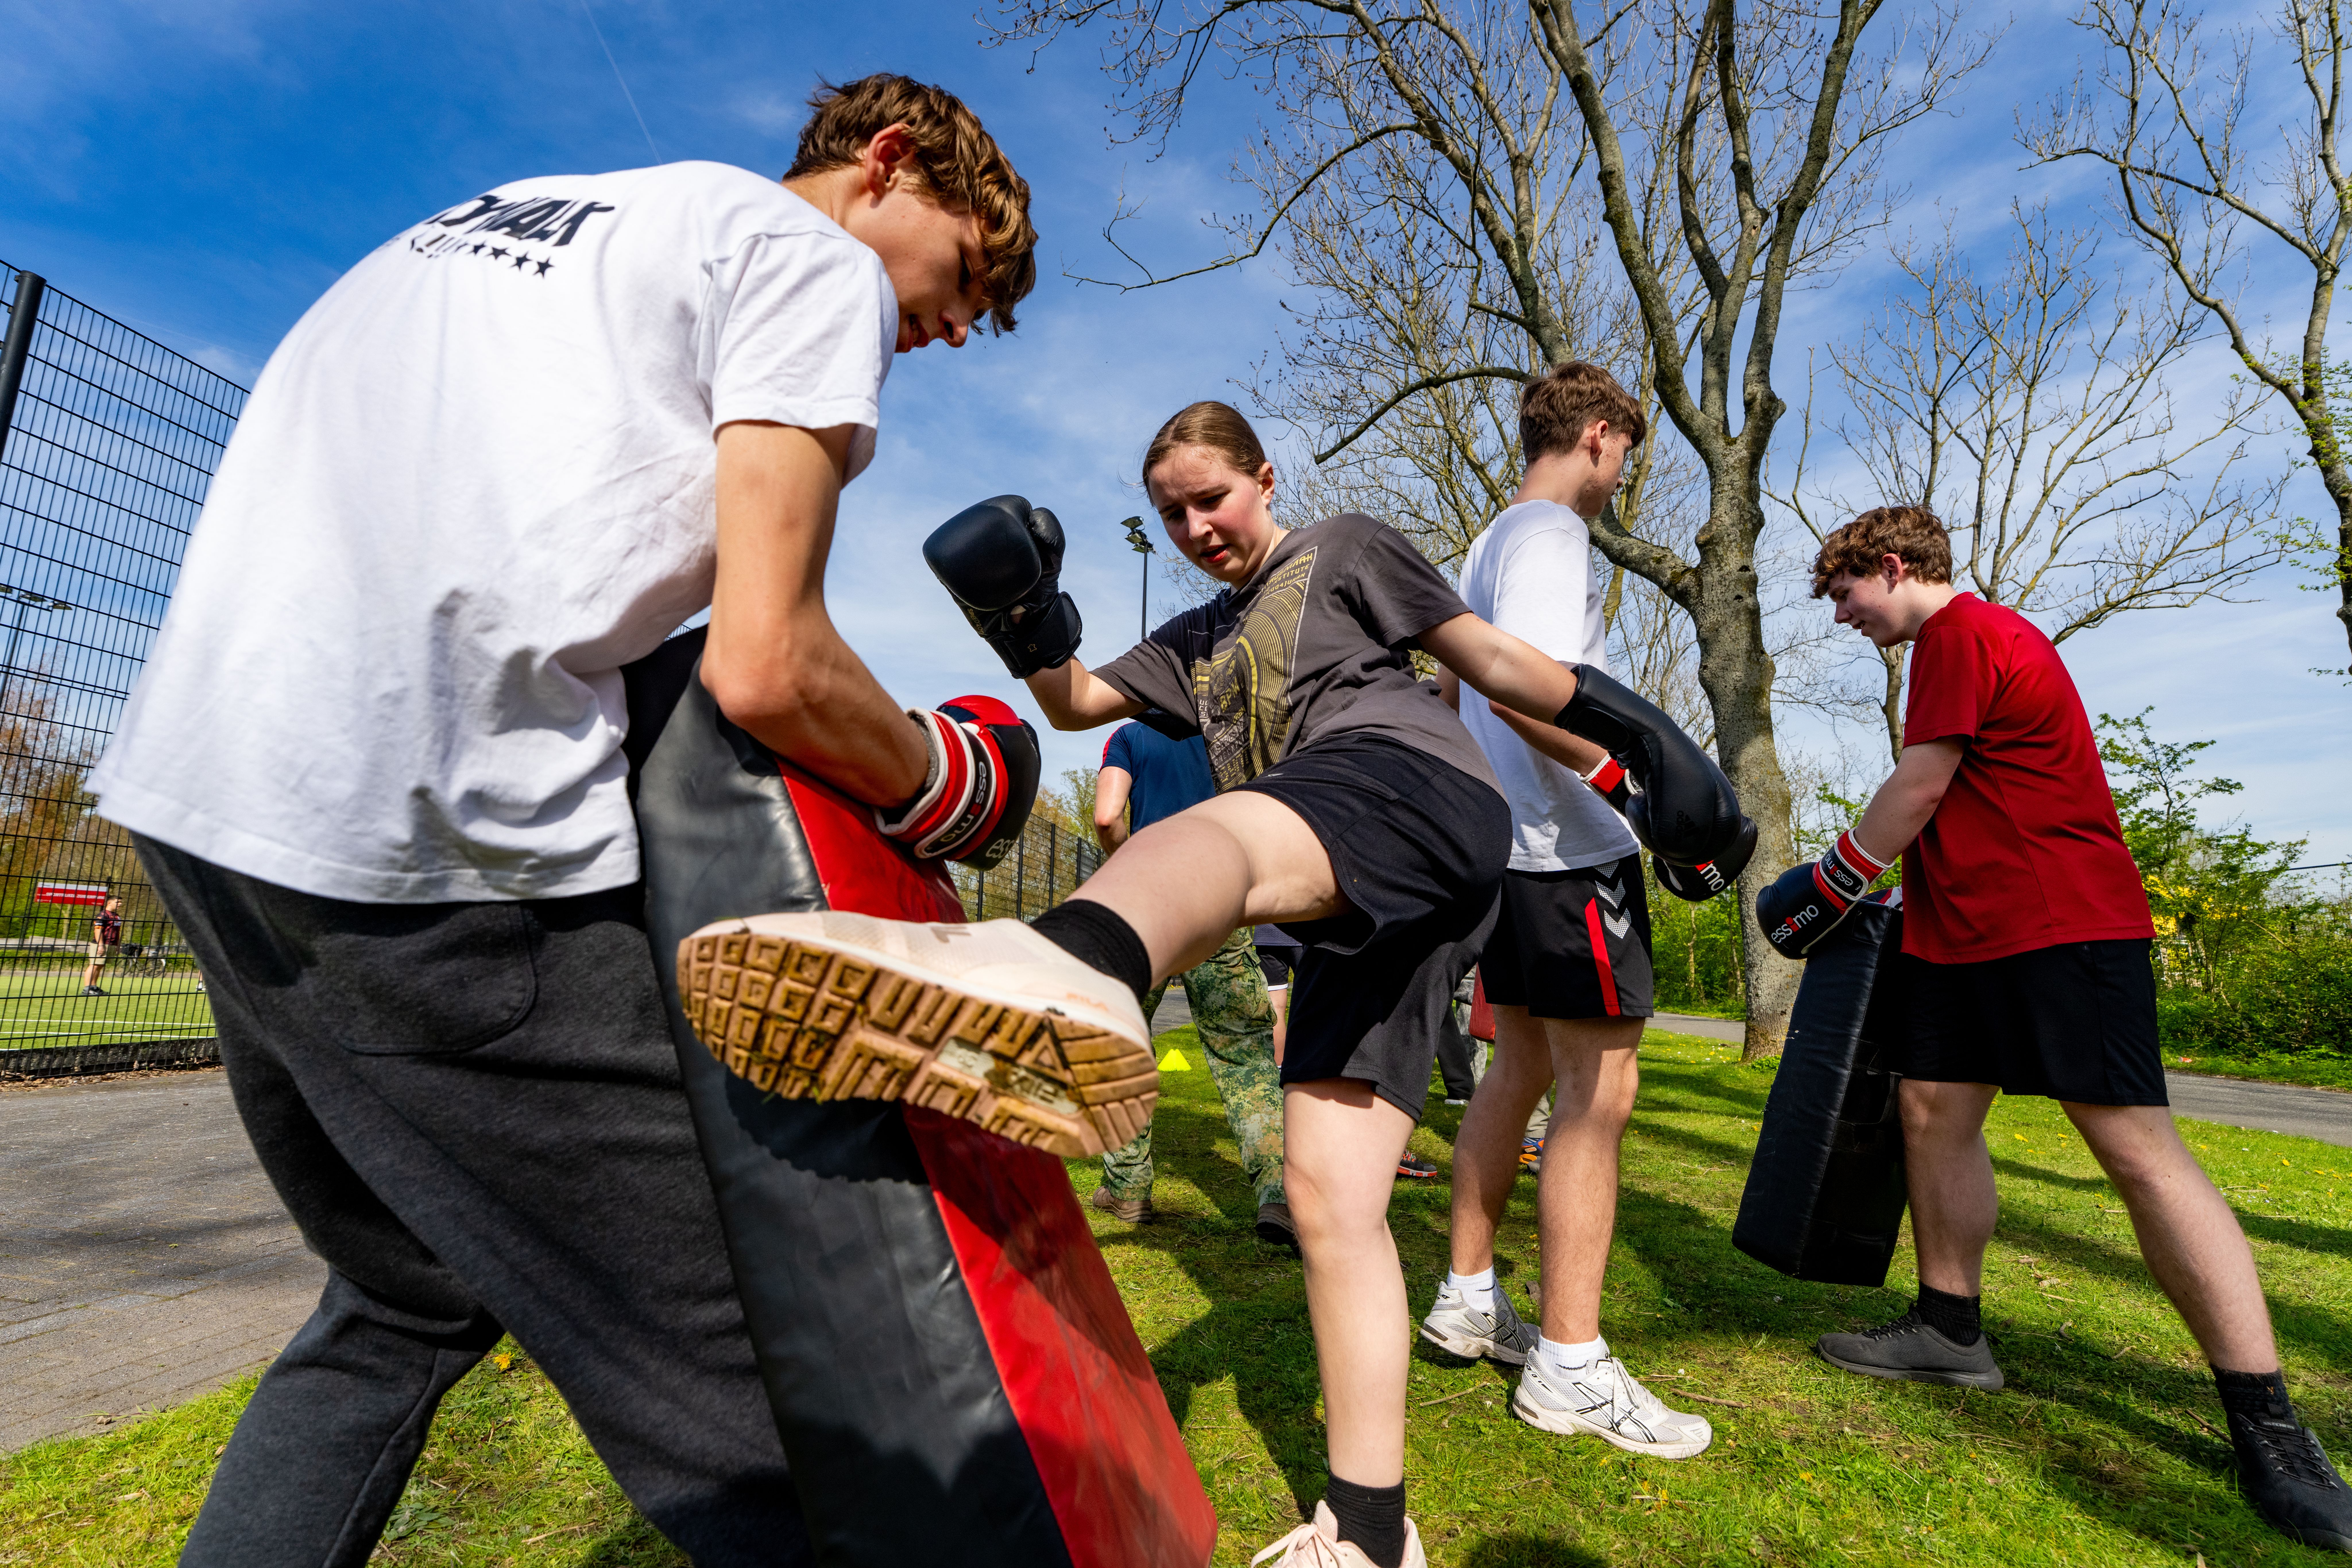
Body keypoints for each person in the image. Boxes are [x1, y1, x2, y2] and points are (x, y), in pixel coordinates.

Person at [88, 75, 1037, 1567]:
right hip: (430, 859)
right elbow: (767, 660)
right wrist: (949, 777)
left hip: (201, 804)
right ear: (890, 164)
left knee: (400, 1299)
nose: (964, 325)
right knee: (777, 1406)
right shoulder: (808, 261)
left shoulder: (493, 227)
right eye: (974, 275)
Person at [680, 399, 1748, 1567]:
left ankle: (1070, 967)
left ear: (1264, 478)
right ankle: (1371, 1534)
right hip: (1363, 903)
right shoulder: (1192, 635)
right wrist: (1019, 613)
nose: (1193, 526)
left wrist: (1639, 736)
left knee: (1232, 831)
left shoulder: (1343, 546)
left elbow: (1488, 659)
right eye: (1169, 513)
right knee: (1330, 1199)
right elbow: (1075, 702)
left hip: (1409, 791)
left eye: (1211, 498)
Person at [1763, 504, 2352, 1553]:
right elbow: (1952, 799)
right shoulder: (1959, 647)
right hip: (1959, 936)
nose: (1840, 613)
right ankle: (1948, 1327)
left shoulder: (1962, 635)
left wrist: (1833, 877)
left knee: (2134, 1152)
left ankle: (2268, 1422)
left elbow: (1922, 782)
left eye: (1843, 592)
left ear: (1891, 568)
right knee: (1931, 1110)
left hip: (2058, 924)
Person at [1419, 361, 1713, 1461]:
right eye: (1627, 451)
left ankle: (1464, 1297)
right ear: (1598, 435)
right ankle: (1571, 1365)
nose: (1622, 473)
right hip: (1565, 855)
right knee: (1600, 1090)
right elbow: (1521, 683)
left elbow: (1456, 696)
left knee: (1521, 1070)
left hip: (1508, 855)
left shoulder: (1485, 544)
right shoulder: (1547, 533)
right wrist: (1625, 784)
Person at [1090, 719, 1291, 1244]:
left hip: (1143, 909)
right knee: (1246, 1059)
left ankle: (1128, 1186)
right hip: (1216, 905)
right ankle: (1277, 1192)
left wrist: (1132, 862)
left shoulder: (1130, 738)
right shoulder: (1239, 733)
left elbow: (1108, 815)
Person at [80, 893, 122, 996]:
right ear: (110, 903)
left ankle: (93, 987)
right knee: (94, 965)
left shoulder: (117, 917)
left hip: (111, 944)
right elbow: (98, 930)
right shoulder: (103, 915)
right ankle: (87, 989)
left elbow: (118, 932)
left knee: (100, 965)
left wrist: (117, 945)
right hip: (101, 944)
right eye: (118, 902)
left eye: (121, 903)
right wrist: (101, 945)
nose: (120, 904)